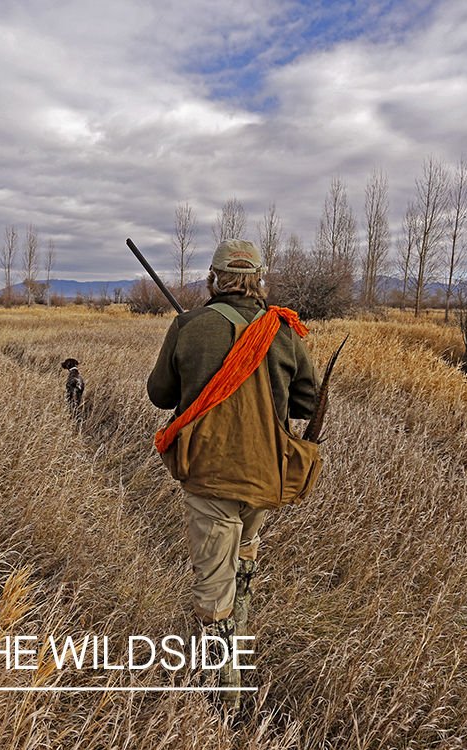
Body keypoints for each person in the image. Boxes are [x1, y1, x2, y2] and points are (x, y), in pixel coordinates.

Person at [147, 238, 318, 710]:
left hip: (210, 476)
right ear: (259, 279)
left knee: (213, 584)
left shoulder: (190, 325)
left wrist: (197, 358)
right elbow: (307, 403)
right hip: (265, 477)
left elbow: (160, 395)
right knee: (243, 557)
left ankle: (227, 697)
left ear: (213, 278)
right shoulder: (283, 332)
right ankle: (239, 635)